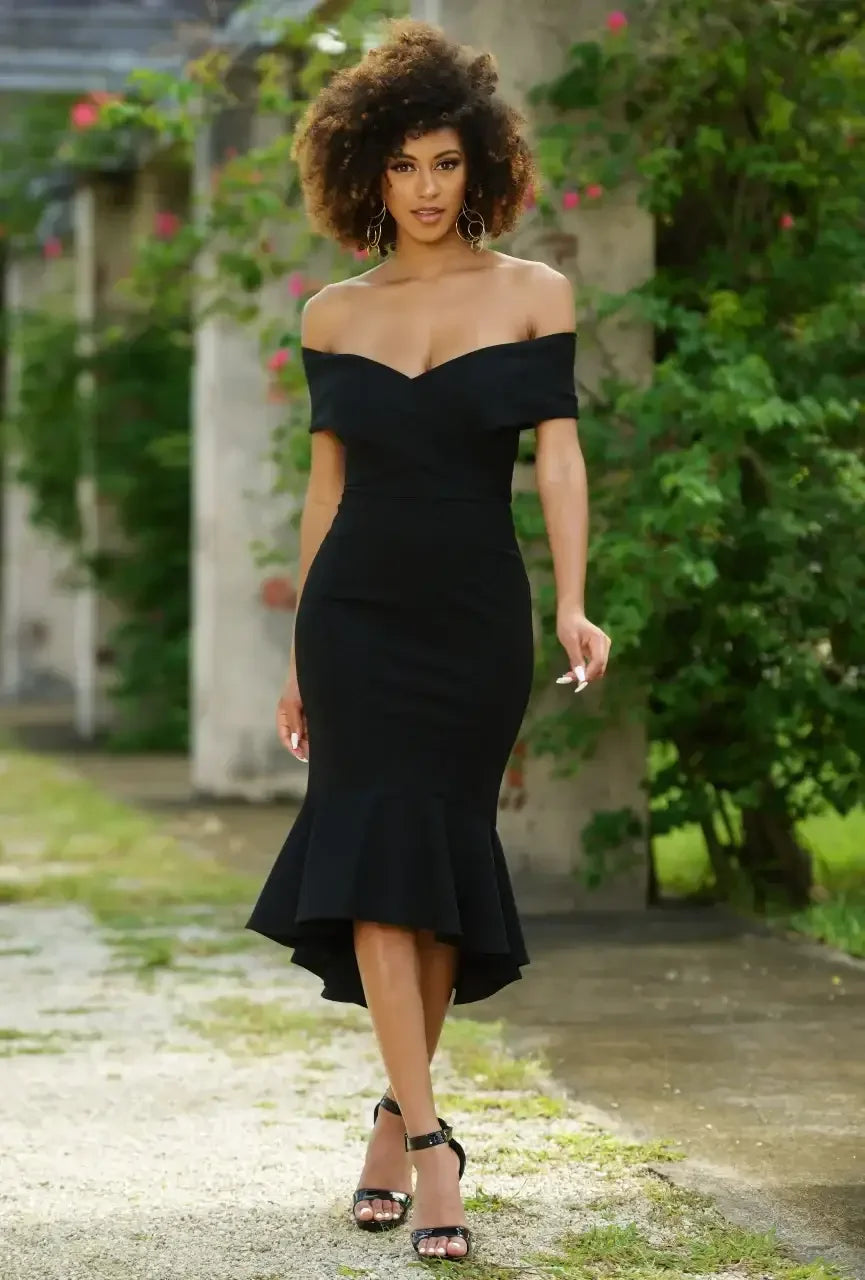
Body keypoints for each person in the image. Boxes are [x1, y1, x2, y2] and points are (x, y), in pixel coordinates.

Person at [246, 18, 611, 1264]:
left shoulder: (533, 294)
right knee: (373, 861)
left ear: (481, 165)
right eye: (402, 165)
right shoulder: (330, 315)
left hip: (472, 615)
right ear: (366, 171)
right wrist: (298, 652)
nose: (424, 187)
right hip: (354, 617)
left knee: (441, 867)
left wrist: (572, 599)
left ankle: (390, 1127)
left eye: (445, 162)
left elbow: (558, 459)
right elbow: (324, 493)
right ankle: (435, 1141)